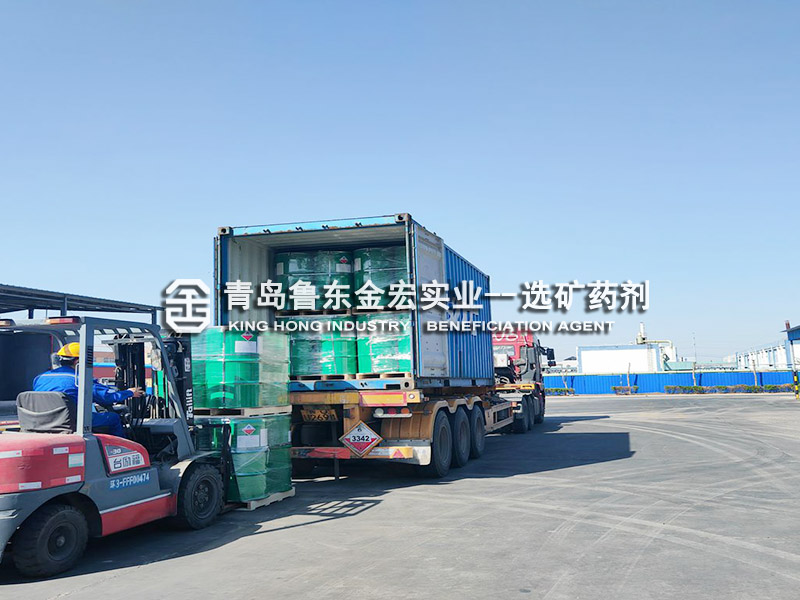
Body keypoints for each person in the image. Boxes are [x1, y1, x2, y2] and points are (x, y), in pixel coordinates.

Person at [32, 342, 144, 437]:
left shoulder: (39, 378)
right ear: (78, 362)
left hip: (44, 421)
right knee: (114, 418)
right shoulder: (80, 379)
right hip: (72, 421)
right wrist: (129, 392)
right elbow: (106, 397)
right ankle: (119, 450)